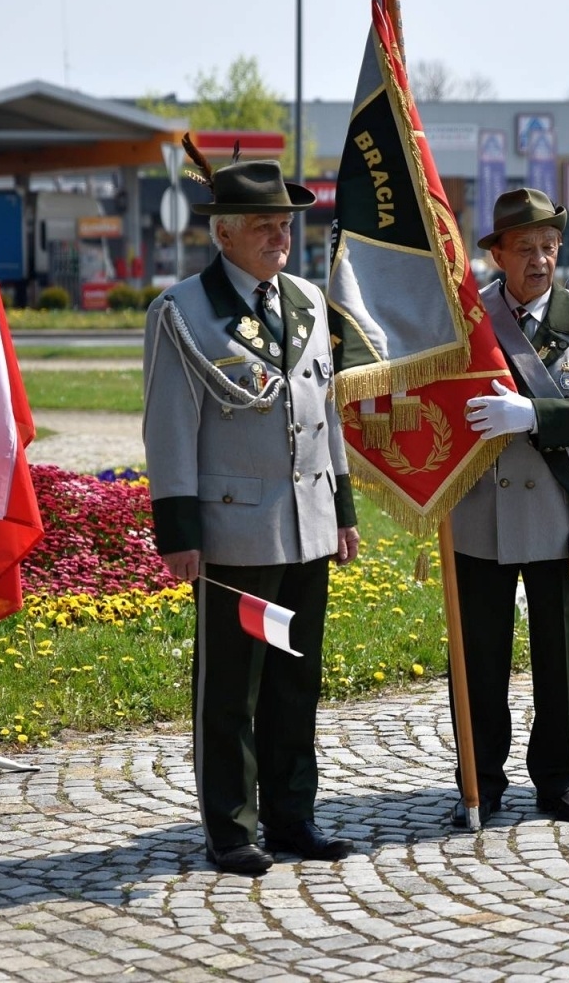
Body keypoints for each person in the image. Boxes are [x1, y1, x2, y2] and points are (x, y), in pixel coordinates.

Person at [142, 150, 361, 876]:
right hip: (237, 534)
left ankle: (293, 815)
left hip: (305, 529)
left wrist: (344, 510)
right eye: (264, 226)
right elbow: (169, 427)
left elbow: (324, 413)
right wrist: (179, 532)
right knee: (233, 690)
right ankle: (231, 828)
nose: (280, 236)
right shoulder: (184, 311)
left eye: (286, 224)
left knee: (297, 681)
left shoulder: (303, 301)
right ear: (223, 233)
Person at [449, 188, 569, 828]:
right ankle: (481, 780)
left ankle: (559, 781)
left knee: (560, 657)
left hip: (560, 510)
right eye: (524, 248)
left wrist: (533, 414)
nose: (539, 260)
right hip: (478, 512)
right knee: (479, 660)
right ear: (496, 253)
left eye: (549, 248)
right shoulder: (466, 319)